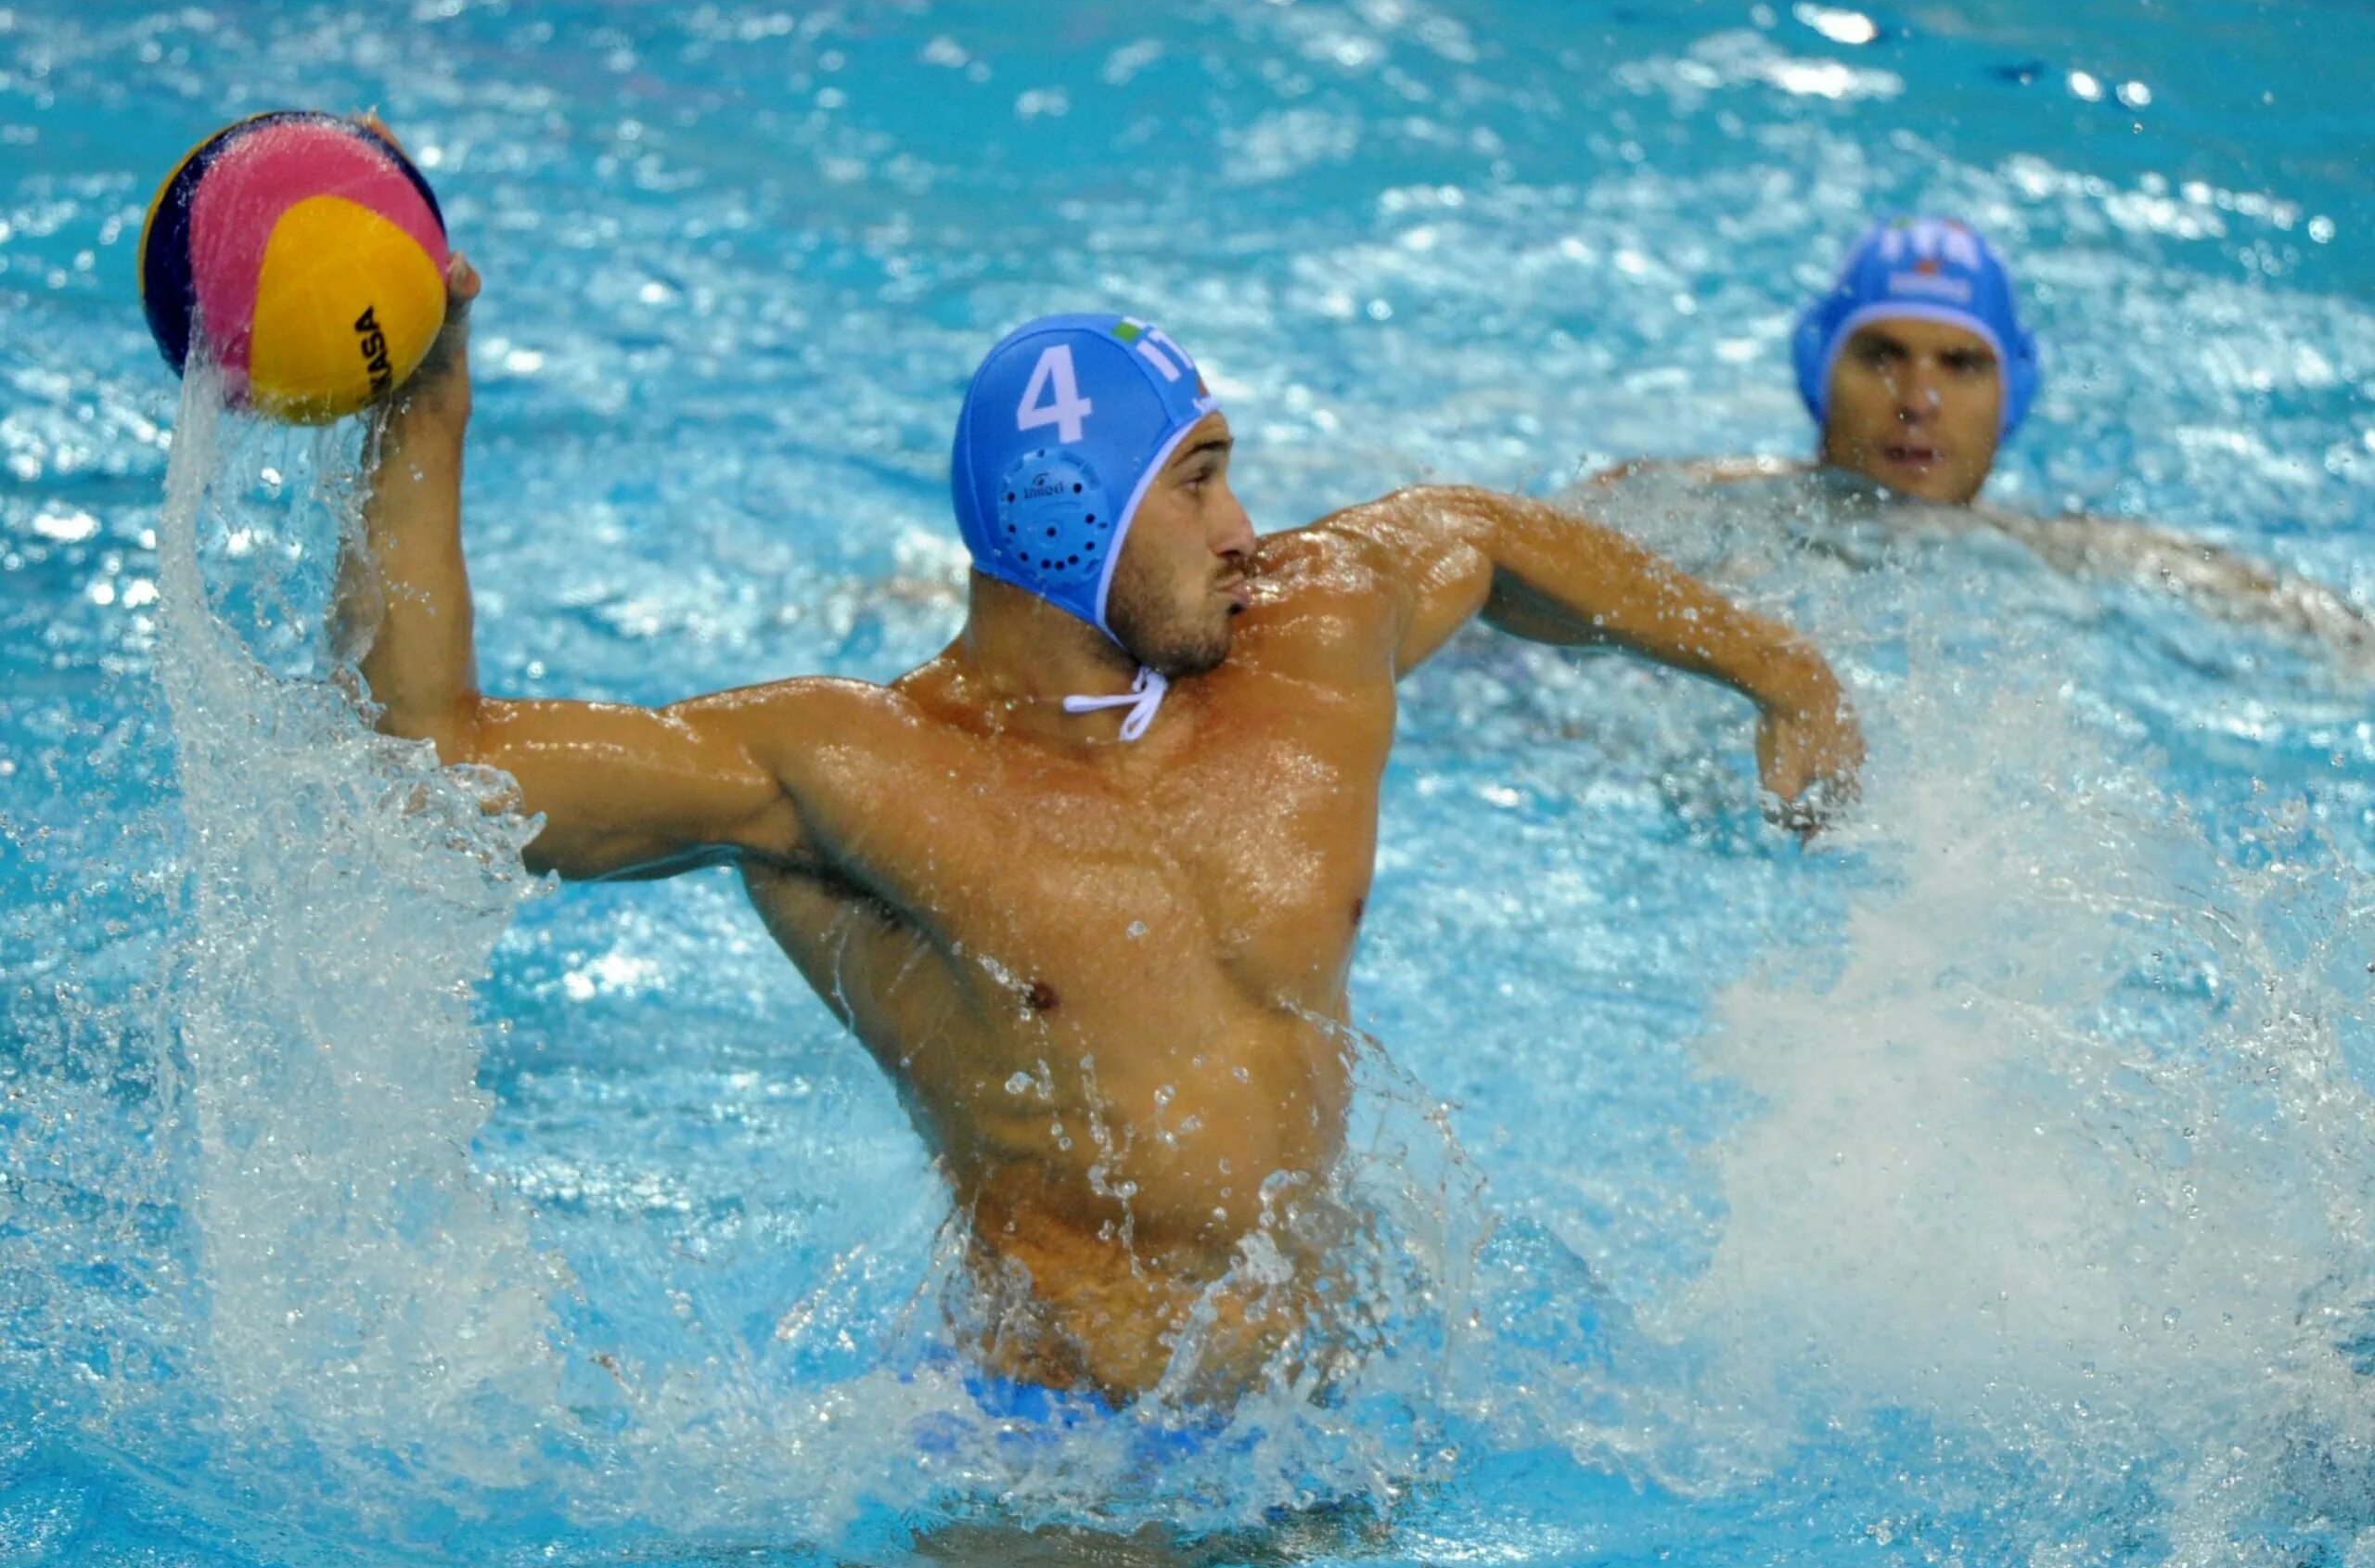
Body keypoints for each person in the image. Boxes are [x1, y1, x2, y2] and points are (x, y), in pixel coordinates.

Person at [343, 251, 1863, 1407]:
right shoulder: (858, 772)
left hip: (1334, 1413)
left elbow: (1489, 532)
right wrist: (429, 412)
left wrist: (1780, 672)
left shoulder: (1303, 643)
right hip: (1056, 1452)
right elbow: (438, 763)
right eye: (1196, 481)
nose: (1243, 528)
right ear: (1067, 507)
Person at [1596, 214, 2375, 660]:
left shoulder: (2068, 555)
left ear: (2012, 393)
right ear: (1818, 370)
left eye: (1961, 365)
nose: (1919, 399)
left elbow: (2306, 620)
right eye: (1882, 357)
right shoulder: (1687, 506)